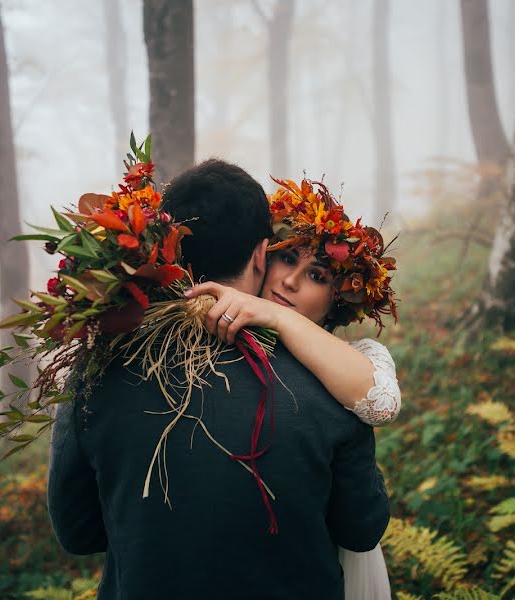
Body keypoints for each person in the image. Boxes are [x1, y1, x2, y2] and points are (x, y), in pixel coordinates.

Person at [47, 159, 390, 599]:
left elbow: (78, 533)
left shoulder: (97, 371)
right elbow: (362, 529)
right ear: (260, 254)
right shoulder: (332, 380)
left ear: (163, 248)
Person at [185, 176, 401, 600]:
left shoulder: (358, 354)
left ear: (337, 299)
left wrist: (278, 317)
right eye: (288, 260)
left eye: (316, 275)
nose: (290, 282)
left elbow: (381, 403)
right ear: (263, 256)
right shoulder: (203, 330)